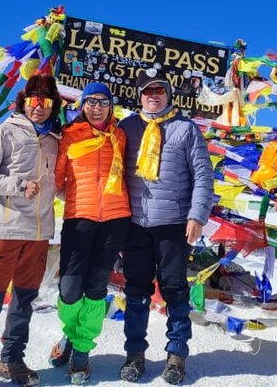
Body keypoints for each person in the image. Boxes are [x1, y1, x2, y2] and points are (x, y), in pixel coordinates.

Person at [0, 75, 63, 387]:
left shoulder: (55, 142)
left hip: (38, 234)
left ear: (53, 106)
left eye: (46, 101)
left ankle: (11, 359)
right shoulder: (1, 134)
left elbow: (58, 185)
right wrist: (18, 185)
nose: (39, 107)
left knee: (24, 301)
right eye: (34, 100)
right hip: (5, 230)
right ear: (23, 102)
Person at [117, 69, 214, 385]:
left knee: (174, 289)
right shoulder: (127, 127)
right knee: (136, 290)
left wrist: (197, 216)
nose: (153, 95)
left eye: (159, 90)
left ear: (168, 94)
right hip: (135, 225)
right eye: (147, 91)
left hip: (174, 224)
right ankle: (134, 354)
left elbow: (203, 175)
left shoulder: (186, 129)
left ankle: (176, 355)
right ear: (140, 96)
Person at [49, 82, 131, 384]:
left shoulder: (120, 136)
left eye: (103, 102)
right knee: (70, 288)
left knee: (96, 287)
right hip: (78, 218)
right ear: (82, 105)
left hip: (115, 219)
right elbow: (56, 178)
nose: (97, 107)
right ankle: (70, 334)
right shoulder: (69, 135)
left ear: (111, 106)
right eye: (91, 102)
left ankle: (82, 348)